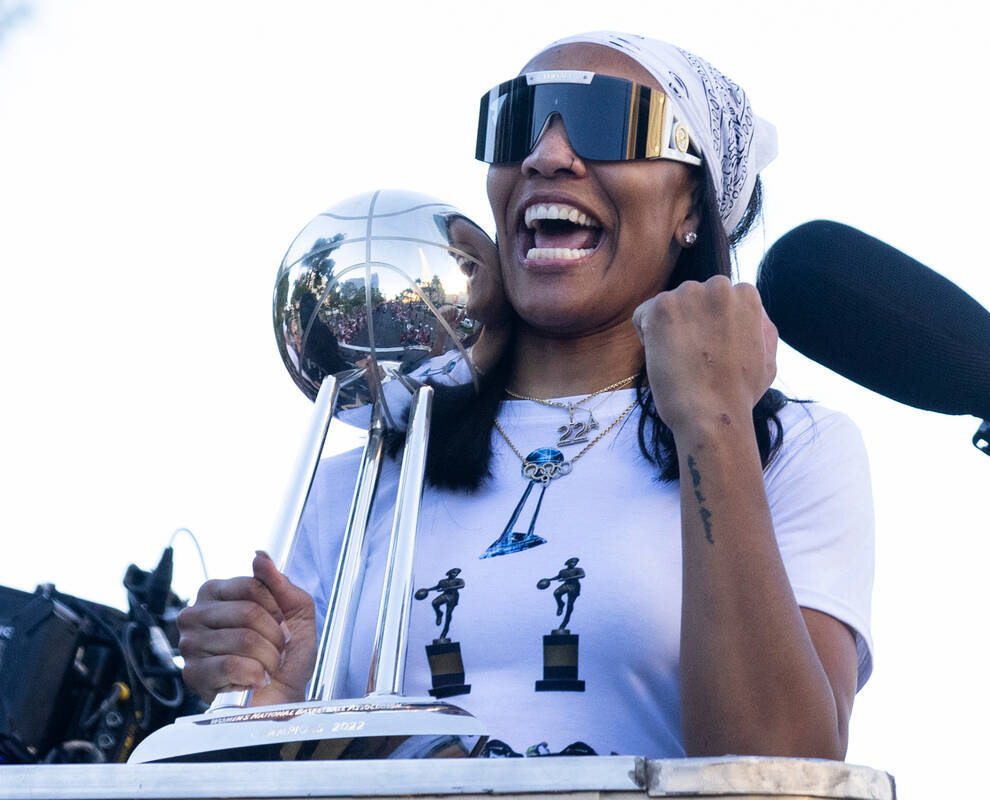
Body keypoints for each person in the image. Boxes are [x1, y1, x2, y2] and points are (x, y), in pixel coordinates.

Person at [178, 31, 874, 761]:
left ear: (690, 206)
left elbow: (783, 768)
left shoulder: (791, 450)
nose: (547, 156)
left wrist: (713, 421)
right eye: (516, 123)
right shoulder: (363, 476)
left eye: (609, 122)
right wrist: (284, 703)